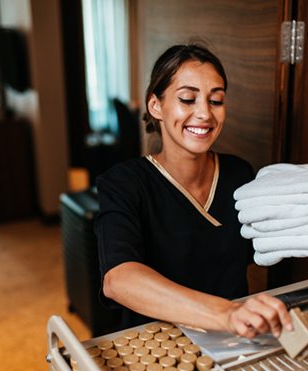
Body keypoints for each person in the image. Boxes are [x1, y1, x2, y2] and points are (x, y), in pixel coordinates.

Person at [95, 44, 293, 338]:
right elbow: (118, 279)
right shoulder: (124, 183)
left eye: (216, 100)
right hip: (155, 342)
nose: (204, 113)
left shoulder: (239, 173)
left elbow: (260, 248)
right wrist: (225, 313)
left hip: (233, 336)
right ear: (156, 106)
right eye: (187, 99)